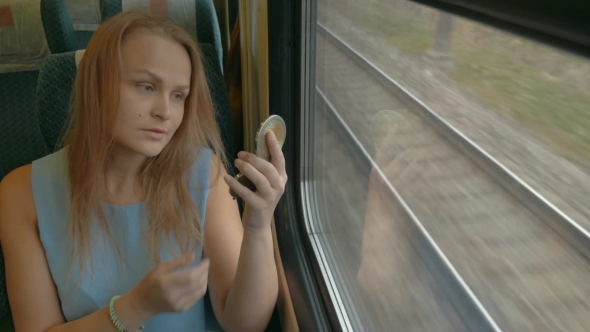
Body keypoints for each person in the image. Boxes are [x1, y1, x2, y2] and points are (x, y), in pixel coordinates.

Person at [0, 10, 286, 332]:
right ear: (96, 85)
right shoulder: (21, 193)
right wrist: (135, 307)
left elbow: (245, 324)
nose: (165, 112)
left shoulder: (204, 174)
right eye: (146, 87)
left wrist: (259, 225)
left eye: (178, 95)